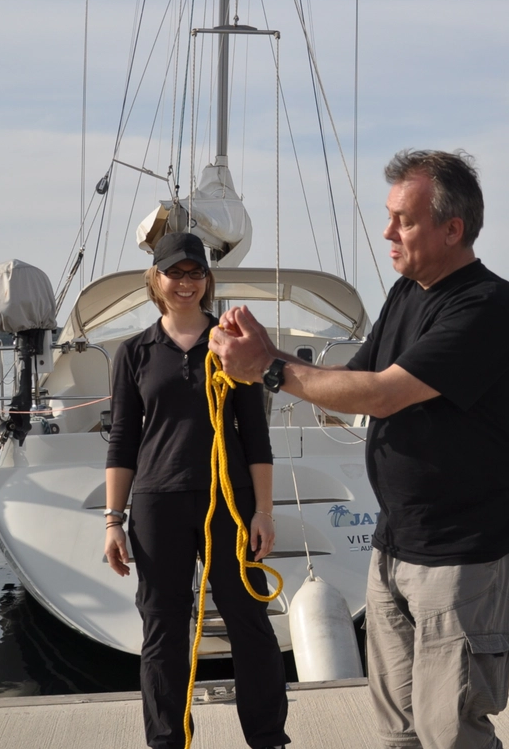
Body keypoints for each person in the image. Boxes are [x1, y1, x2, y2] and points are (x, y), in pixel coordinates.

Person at [211, 149, 509, 749]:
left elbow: (384, 395)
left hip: (462, 554)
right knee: (397, 730)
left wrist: (270, 372)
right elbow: (350, 384)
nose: (387, 232)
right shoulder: (407, 293)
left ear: (451, 228)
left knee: (450, 731)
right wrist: (266, 356)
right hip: (396, 546)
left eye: (403, 220)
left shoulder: (487, 305)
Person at [104, 231, 289, 749]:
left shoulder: (233, 348)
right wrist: (113, 520)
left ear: (206, 281)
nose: (185, 283)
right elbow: (122, 441)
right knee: (162, 629)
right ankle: (167, 741)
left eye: (195, 274)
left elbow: (256, 436)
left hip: (229, 503)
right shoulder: (135, 352)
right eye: (174, 273)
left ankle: (268, 737)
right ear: (156, 280)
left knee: (247, 619)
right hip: (157, 505)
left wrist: (265, 511)